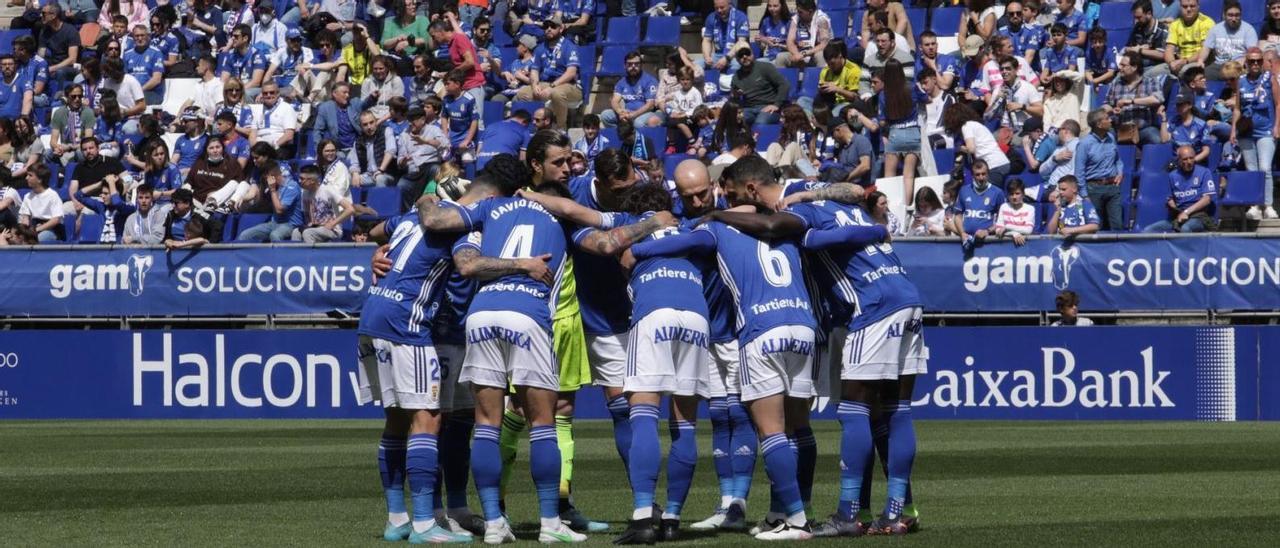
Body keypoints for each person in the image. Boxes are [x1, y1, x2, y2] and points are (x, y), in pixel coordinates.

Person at [629, 157, 818, 541]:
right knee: (722, 417)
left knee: (751, 418)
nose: (697, 201)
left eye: (704, 193)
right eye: (689, 196)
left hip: (741, 328)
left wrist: (635, 248)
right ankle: (734, 504)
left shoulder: (716, 224)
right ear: (677, 195)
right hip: (715, 328)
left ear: (718, 186)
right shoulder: (709, 220)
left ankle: (746, 503)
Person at [415, 156, 591, 545]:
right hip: (527, 313)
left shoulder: (486, 212)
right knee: (543, 424)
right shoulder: (560, 218)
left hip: (481, 315)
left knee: (487, 424)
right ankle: (549, 523)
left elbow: (444, 233)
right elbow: (601, 231)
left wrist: (428, 195)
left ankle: (494, 524)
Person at [849, 61, 919, 203]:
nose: (873, 85)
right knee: (909, 175)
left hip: (895, 134)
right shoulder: (912, 88)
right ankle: (906, 206)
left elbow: (881, 122)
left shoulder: (884, 95)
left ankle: (890, 206)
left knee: (889, 175)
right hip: (913, 132)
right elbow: (925, 100)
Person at [1235, 47, 1279, 220]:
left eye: (1258, 61)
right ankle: (1255, 205)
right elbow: (1238, 108)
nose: (1255, 64)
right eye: (1251, 61)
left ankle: (1267, 204)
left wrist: (1277, 126)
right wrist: (1233, 130)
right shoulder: (1241, 81)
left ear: (1263, 62)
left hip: (1265, 129)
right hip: (1246, 131)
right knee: (1251, 169)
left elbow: (1278, 104)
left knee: (1265, 168)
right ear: (1246, 62)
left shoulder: (1270, 79)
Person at [1143, 145, 1217, 232]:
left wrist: (1186, 212)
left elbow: (1207, 199)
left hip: (1198, 216)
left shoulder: (1204, 172)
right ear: (1179, 160)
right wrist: (1171, 204)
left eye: (1191, 158)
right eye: (1185, 159)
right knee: (1148, 230)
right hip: (1178, 216)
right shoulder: (1172, 176)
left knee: (1185, 228)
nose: (1189, 162)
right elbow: (1170, 198)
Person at [429, 18, 486, 127]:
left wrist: (451, 73)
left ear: (440, 32)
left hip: (473, 85)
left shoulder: (459, 39)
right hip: (463, 86)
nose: (434, 39)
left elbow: (470, 62)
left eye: (433, 36)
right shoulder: (451, 44)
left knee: (477, 122)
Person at [944, 103, 1013, 189]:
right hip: (1002, 163)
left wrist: (960, 148)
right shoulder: (976, 125)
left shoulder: (966, 126)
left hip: (994, 165)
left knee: (988, 196)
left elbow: (971, 149)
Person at [1075, 109, 1123, 230]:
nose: (1110, 120)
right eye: (1107, 118)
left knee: (1117, 224)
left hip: (1112, 187)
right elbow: (1079, 171)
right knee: (1096, 225)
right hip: (1094, 189)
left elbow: (1118, 160)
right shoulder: (1085, 144)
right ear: (1099, 124)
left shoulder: (1111, 137)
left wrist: (1120, 172)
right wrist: (1084, 195)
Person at [396, 102, 447, 210]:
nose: (410, 123)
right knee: (402, 185)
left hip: (430, 166)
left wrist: (426, 141)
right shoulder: (404, 135)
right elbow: (400, 161)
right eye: (408, 120)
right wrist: (403, 161)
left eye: (413, 120)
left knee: (436, 169)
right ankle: (409, 213)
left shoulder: (433, 130)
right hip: (413, 170)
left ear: (422, 120)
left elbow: (445, 145)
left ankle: (436, 208)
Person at [237, 161, 302, 241]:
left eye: (266, 178)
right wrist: (243, 198)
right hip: (274, 223)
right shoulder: (272, 187)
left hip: (291, 224)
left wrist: (273, 190)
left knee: (275, 235)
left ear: (272, 177)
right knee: (245, 235)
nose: (265, 181)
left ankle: (279, 253)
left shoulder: (291, 187)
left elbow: (279, 210)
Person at [951, 159, 1007, 251]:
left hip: (988, 242)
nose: (981, 178)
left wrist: (987, 231)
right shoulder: (964, 190)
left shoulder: (997, 192)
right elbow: (958, 215)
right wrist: (962, 233)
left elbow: (1003, 220)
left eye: (983, 174)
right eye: (977, 174)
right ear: (972, 176)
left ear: (988, 174)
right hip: (966, 241)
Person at [799, 42, 861, 122]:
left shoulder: (853, 70)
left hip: (844, 103)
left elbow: (855, 97)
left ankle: (820, 123)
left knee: (835, 112)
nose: (830, 67)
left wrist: (837, 89)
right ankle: (813, 122)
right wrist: (822, 90)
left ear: (840, 56)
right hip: (827, 103)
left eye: (832, 63)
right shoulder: (826, 70)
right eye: (828, 64)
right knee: (802, 100)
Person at [1195, 0, 1255, 80]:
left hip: (1238, 65)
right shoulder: (1215, 29)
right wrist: (1201, 60)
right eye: (1230, 15)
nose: (1234, 18)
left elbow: (1252, 51)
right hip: (1219, 65)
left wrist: (1243, 60)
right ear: (1224, 15)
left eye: (1237, 15)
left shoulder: (1248, 30)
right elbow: (1206, 48)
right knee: (1201, 75)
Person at [293, 164, 354, 242]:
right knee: (296, 232)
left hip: (332, 230)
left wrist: (333, 223)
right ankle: (298, 254)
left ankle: (312, 254)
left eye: (302, 179)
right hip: (316, 227)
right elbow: (307, 215)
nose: (299, 181)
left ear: (312, 180)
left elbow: (350, 209)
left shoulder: (328, 190)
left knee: (308, 233)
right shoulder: (305, 193)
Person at [603, 51, 662, 129]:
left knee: (638, 123)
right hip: (627, 112)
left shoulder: (650, 81)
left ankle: (637, 138)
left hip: (647, 113)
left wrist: (633, 115)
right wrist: (620, 112)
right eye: (630, 64)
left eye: (636, 64)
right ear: (625, 66)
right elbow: (614, 100)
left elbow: (650, 105)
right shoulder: (622, 82)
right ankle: (623, 135)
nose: (633, 66)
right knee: (605, 115)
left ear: (641, 65)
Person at [730, 48, 789, 126]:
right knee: (733, 121)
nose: (744, 57)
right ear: (737, 60)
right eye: (741, 55)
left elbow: (784, 84)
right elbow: (734, 98)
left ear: (752, 55)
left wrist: (776, 105)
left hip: (768, 106)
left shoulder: (765, 67)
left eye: (747, 53)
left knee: (760, 123)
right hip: (748, 108)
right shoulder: (736, 77)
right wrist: (736, 96)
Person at [1165, 0, 1216, 75]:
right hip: (1179, 61)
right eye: (1185, 6)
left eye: (1192, 6)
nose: (1188, 9)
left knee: (1183, 71)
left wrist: (1185, 61)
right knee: (1151, 73)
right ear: (1180, 7)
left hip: (1199, 62)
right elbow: (1169, 48)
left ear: (1198, 6)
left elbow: (1205, 49)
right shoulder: (1175, 24)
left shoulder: (1207, 22)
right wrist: (1171, 62)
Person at [350, 110, 399, 188]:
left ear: (376, 121)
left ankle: (381, 200)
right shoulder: (358, 142)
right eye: (365, 125)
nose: (369, 127)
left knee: (380, 178)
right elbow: (354, 163)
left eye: (371, 122)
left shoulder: (386, 131)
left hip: (387, 174)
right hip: (368, 175)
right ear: (361, 127)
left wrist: (381, 170)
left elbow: (391, 151)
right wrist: (355, 173)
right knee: (350, 179)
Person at [313, 82, 365, 155]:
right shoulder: (325, 108)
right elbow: (318, 131)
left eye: (348, 93)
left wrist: (373, 98)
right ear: (334, 93)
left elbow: (365, 104)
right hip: (338, 151)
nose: (347, 95)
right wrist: (319, 152)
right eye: (344, 92)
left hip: (357, 148)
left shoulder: (354, 103)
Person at [777, 0, 832, 69]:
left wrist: (804, 54)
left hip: (814, 53)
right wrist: (797, 54)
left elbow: (824, 44)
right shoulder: (796, 18)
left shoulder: (822, 20)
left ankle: (821, 78)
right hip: (799, 53)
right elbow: (790, 41)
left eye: (800, 12)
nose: (798, 13)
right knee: (781, 57)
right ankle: (782, 79)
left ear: (810, 11)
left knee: (820, 55)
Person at [218, 24, 268, 99]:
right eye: (232, 36)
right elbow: (223, 79)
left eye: (236, 36)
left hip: (251, 89)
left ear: (245, 38)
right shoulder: (229, 55)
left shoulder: (257, 54)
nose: (232, 38)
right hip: (234, 89)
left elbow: (256, 82)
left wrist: (238, 91)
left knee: (246, 93)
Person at [701, 0, 750, 74]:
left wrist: (726, 58)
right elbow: (707, 40)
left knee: (737, 66)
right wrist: (707, 57)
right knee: (697, 65)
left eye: (722, 7)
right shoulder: (711, 17)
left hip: (735, 55)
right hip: (717, 55)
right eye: (716, 8)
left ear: (730, 5)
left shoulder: (741, 17)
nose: (719, 10)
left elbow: (741, 42)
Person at [37, 3, 80, 86]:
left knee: (60, 72)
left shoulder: (70, 31)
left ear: (53, 15)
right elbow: (41, 55)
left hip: (68, 67)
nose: (40, 15)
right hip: (51, 65)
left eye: (43, 13)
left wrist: (53, 68)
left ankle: (60, 95)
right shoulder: (44, 31)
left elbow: (72, 59)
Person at [251, 82, 298, 157]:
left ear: (278, 93)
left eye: (272, 92)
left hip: (279, 147)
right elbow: (252, 134)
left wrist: (272, 147)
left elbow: (289, 135)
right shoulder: (257, 109)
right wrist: (254, 148)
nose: (268, 95)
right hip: (260, 147)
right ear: (262, 95)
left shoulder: (286, 108)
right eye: (265, 93)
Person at [17, 164, 63, 242]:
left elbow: (56, 220)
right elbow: (25, 218)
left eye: (30, 175)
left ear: (39, 179)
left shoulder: (52, 195)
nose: (26, 178)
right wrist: (25, 231)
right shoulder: (27, 196)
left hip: (50, 229)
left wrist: (37, 230)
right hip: (33, 228)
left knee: (39, 238)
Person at [1127, 0, 1172, 75]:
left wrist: (1140, 50)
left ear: (1149, 14)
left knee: (1145, 76)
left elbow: (1163, 54)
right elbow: (1129, 47)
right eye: (1135, 18)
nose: (1136, 21)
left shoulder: (1162, 29)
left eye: (1139, 17)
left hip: (1156, 66)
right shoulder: (1137, 28)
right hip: (1138, 66)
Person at [999, 1, 1044, 66]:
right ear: (1007, 15)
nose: (1015, 16)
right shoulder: (1001, 32)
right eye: (1012, 14)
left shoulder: (1032, 31)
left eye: (1018, 13)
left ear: (1022, 14)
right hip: (1007, 70)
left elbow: (1028, 59)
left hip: (1029, 71)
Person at [992, 178, 1036, 244]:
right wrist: (1014, 233)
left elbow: (1028, 230)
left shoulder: (1030, 209)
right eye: (1011, 194)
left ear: (1023, 194)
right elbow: (998, 230)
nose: (1014, 197)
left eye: (1017, 193)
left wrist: (1007, 227)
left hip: (1024, 245)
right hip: (1006, 246)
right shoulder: (1004, 207)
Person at [361, 56, 405, 121]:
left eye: (381, 68)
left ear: (387, 68)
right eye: (375, 69)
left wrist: (380, 121)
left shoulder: (396, 80)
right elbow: (362, 106)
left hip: (390, 118)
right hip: (371, 118)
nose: (378, 71)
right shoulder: (367, 81)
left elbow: (398, 107)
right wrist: (371, 98)